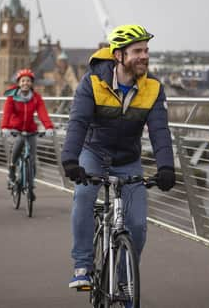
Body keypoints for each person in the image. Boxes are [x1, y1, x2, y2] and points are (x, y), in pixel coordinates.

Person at [60, 24, 176, 289]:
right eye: (137, 51)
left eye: (146, 50)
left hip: (128, 160)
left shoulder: (153, 89)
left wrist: (166, 167)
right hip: (94, 153)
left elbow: (159, 131)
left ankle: (123, 280)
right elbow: (77, 122)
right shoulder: (92, 82)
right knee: (83, 197)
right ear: (118, 55)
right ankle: (83, 265)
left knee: (136, 224)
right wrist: (70, 160)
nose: (144, 56)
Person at [1, 68, 55, 188]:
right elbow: (7, 113)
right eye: (23, 81)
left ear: (31, 83)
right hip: (16, 129)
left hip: (31, 130)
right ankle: (11, 170)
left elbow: (42, 113)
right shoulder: (12, 97)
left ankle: (30, 183)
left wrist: (48, 127)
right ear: (19, 83)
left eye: (28, 81)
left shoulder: (36, 98)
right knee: (17, 146)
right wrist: (5, 127)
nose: (26, 83)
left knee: (32, 157)